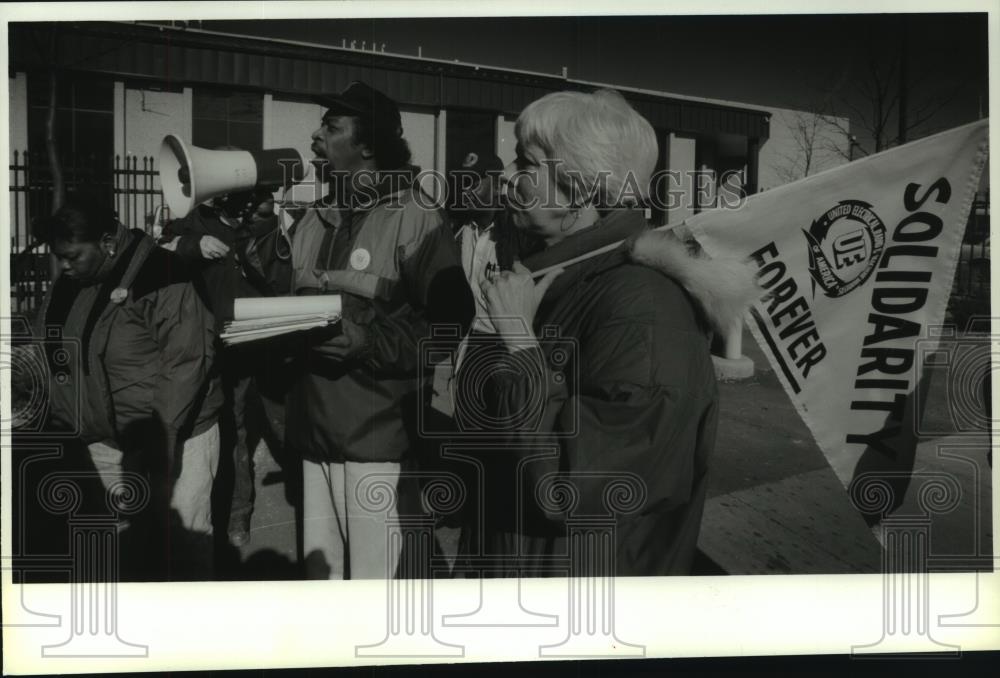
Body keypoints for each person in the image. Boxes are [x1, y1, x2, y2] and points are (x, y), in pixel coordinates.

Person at [458, 89, 757, 576]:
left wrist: (518, 342)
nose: (508, 178)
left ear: (578, 190)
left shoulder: (643, 311)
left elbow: (572, 488)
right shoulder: (557, 280)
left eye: (525, 164)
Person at [286, 81, 473, 579]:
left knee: (379, 594)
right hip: (314, 437)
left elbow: (450, 324)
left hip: (378, 444)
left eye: (331, 127)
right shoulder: (310, 219)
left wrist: (368, 342)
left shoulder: (416, 216)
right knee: (322, 586)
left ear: (368, 146)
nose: (315, 137)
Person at [32, 197, 223, 580]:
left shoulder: (164, 272)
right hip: (105, 440)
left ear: (107, 243)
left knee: (182, 548)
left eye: (72, 256)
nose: (64, 267)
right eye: (59, 258)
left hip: (174, 438)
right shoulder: (74, 279)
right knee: (122, 550)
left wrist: (156, 448)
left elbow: (186, 362)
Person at [160, 186, 292, 548]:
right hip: (221, 346)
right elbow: (160, 253)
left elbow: (282, 279)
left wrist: (262, 231)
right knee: (233, 431)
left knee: (285, 423)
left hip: (267, 342)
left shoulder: (262, 225)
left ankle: (303, 490)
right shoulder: (194, 223)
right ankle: (237, 514)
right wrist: (192, 246)